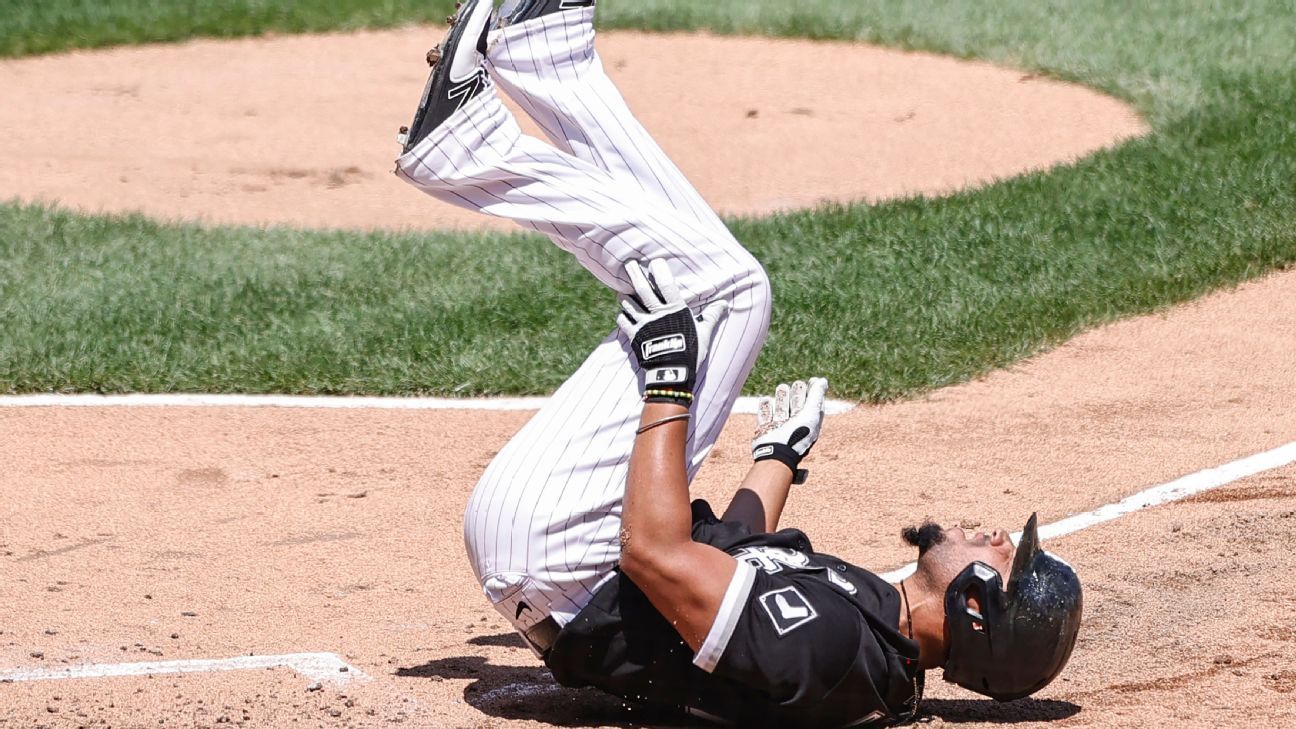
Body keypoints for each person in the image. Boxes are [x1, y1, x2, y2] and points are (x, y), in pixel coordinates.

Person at [393, 1, 1083, 726]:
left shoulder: (828, 648)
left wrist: (668, 375)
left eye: (1012, 558)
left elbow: (658, 555)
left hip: (561, 549)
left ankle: (465, 150)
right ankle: (547, 55)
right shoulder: (872, 627)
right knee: (736, 289)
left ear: (976, 608)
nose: (1002, 536)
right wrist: (776, 456)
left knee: (716, 295)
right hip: (560, 550)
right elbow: (739, 555)